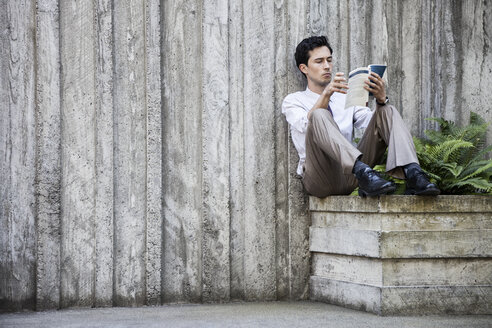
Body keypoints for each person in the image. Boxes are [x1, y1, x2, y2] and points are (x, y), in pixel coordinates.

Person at [282, 36, 440, 197]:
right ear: (304, 68)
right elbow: (306, 125)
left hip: (354, 176)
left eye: (329, 60)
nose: (327, 66)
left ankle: (413, 174)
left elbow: (373, 122)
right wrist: (326, 95)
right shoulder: (293, 101)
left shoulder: (344, 97)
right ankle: (361, 170)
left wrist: (380, 100)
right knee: (318, 115)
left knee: (387, 110)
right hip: (320, 178)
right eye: (319, 61)